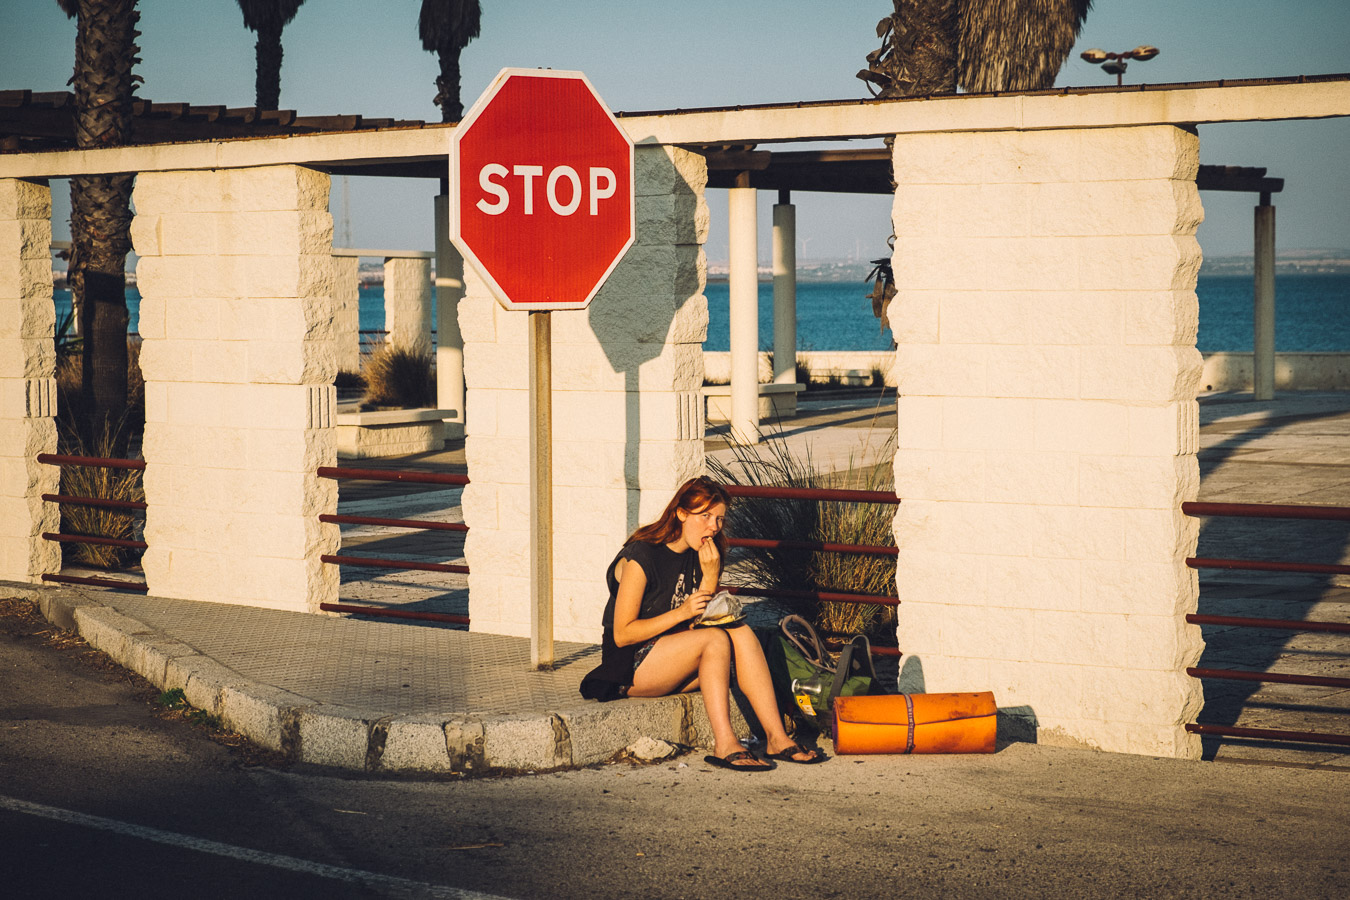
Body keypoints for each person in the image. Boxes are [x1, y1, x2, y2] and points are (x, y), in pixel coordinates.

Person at [580, 476, 827, 770]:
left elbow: (700, 624)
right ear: (681, 513)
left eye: (719, 518)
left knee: (740, 630)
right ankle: (725, 743)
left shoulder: (705, 555)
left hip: (675, 657)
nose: (713, 526)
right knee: (715, 639)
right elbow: (622, 635)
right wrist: (682, 612)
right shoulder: (642, 555)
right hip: (630, 666)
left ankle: (777, 737)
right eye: (705, 516)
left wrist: (710, 577)